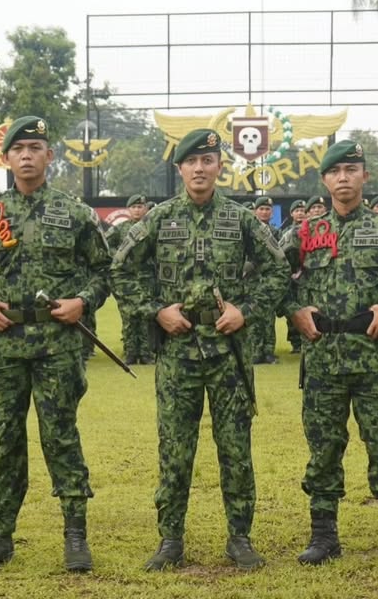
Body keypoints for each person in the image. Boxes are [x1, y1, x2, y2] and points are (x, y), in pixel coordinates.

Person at [0, 116, 110, 573]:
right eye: (19, 149)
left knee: (62, 435)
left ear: (49, 156)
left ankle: (75, 535)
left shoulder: (75, 213)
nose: (27, 156)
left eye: (35, 148)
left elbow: (105, 270)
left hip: (58, 345)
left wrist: (82, 301)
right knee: (5, 440)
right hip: (4, 345)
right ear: (6, 158)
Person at [111, 128, 288, 571]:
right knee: (175, 448)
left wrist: (247, 311)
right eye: (191, 161)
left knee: (235, 448)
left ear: (219, 167)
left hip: (229, 354)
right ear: (180, 169)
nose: (200, 168)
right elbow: (120, 272)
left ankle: (240, 538)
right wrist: (156, 311)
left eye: (208, 161)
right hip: (177, 354)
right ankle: (170, 540)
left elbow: (278, 271)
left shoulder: (241, 219)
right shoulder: (159, 219)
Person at [281, 140, 378, 565]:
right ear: (325, 180)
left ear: (365, 176)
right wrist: (293, 309)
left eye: (352, 170)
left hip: (373, 358)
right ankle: (323, 536)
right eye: (336, 171)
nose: (344, 178)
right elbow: (269, 271)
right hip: (323, 358)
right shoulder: (305, 232)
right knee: (324, 447)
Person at [106, 194, 152, 365]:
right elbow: (105, 244)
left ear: (145, 209)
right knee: (129, 316)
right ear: (128, 209)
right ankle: (131, 353)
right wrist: (118, 256)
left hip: (146, 277)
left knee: (146, 315)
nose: (137, 210)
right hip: (125, 279)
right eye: (133, 207)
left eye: (140, 207)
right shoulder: (120, 229)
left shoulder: (151, 227)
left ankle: (146, 353)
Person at [249, 196, 280, 364]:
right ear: (255, 211)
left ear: (272, 212)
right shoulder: (249, 229)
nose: (264, 212)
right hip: (252, 279)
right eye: (261, 209)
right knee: (253, 316)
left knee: (269, 316)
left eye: (267, 209)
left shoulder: (276, 232)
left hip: (270, 279)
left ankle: (269, 352)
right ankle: (255, 351)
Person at [281, 200, 308, 354]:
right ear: (292, 213)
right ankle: (296, 343)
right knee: (292, 311)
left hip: (309, 278)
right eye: (297, 210)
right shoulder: (287, 233)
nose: (300, 213)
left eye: (303, 210)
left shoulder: (315, 230)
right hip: (292, 278)